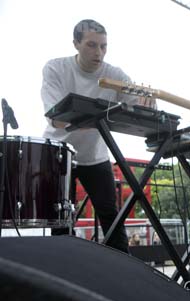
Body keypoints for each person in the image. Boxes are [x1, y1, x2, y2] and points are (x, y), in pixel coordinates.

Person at [41, 19, 154, 253]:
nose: (99, 53)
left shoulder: (115, 74)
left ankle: (124, 271)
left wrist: (148, 104)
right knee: (60, 218)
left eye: (103, 46)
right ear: (76, 44)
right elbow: (56, 118)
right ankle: (65, 272)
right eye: (92, 45)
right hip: (59, 152)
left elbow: (138, 111)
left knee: (111, 215)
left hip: (95, 154)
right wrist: (97, 117)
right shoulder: (55, 68)